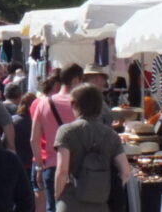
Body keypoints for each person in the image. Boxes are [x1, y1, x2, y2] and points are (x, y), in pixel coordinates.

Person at [54, 84, 130, 212]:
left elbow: (62, 171)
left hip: (71, 201)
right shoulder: (111, 135)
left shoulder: (66, 131)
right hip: (100, 203)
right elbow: (126, 172)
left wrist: (57, 196)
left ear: (74, 104)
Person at [30, 65, 82, 212]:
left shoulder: (43, 103)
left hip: (52, 165)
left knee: (52, 208)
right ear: (76, 80)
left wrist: (39, 166)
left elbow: (34, 139)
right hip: (78, 167)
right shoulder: (79, 104)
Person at [12, 93, 37, 195]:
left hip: (18, 160)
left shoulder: (14, 121)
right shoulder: (37, 122)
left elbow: (5, 140)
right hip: (33, 161)